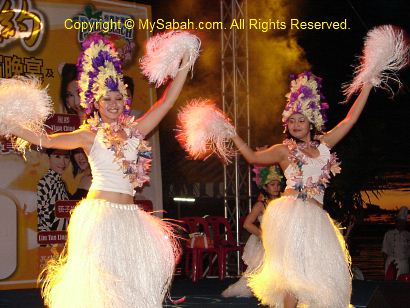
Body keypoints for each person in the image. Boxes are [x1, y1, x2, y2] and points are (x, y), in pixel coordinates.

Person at [9, 34, 191, 307]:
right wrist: (9, 122)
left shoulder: (136, 131)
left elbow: (165, 104)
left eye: (118, 98)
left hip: (131, 217)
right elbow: (47, 140)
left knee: (129, 285)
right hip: (101, 216)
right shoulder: (88, 135)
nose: (114, 104)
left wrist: (186, 62)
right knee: (102, 287)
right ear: (96, 103)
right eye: (107, 99)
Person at [231, 72, 373, 307]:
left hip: (317, 219)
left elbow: (350, 120)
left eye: (301, 120)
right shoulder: (283, 151)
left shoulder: (325, 144)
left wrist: (368, 84)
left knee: (317, 277)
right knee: (292, 276)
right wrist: (232, 134)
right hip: (292, 216)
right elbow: (252, 156)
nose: (295, 125)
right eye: (292, 120)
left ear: (311, 122)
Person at [222, 164, 283, 298]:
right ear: (265, 187)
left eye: (278, 184)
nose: (276, 187)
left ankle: (278, 292)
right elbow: (247, 224)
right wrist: (263, 235)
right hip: (267, 242)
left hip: (281, 241)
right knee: (260, 269)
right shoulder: (261, 205)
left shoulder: (283, 202)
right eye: (272, 185)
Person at [37, 148, 70, 232]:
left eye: (66, 157)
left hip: (61, 237)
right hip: (50, 239)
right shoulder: (45, 182)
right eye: (57, 156)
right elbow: (39, 215)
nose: (62, 163)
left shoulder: (61, 183)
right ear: (48, 158)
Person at [382, 206, 410, 280]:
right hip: (391, 263)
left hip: (405, 264)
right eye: (400, 222)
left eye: (403, 222)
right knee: (390, 285)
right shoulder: (388, 234)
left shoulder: (408, 235)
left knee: (404, 285)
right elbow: (384, 251)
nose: (401, 224)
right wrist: (385, 265)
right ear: (396, 222)